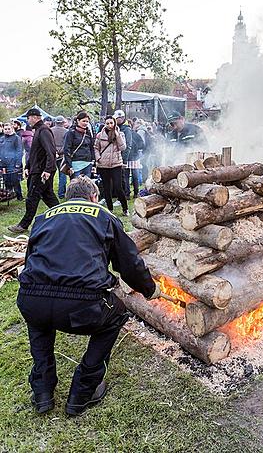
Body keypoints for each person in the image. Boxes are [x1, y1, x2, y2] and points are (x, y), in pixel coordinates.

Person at [16, 175, 160, 416]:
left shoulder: (42, 218)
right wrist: (149, 289)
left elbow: (30, 259)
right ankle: (83, 391)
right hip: (80, 306)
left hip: (32, 297)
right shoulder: (104, 216)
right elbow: (129, 264)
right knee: (116, 314)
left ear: (67, 197)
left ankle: (42, 391)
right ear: (94, 197)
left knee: (38, 320)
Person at [8, 108, 59, 234]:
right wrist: (27, 167)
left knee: (32, 197)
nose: (27, 120)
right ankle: (63, 216)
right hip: (37, 170)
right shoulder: (37, 130)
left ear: (35, 117)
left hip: (42, 171)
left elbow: (51, 151)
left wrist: (47, 170)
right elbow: (34, 152)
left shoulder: (44, 131)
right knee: (48, 196)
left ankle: (23, 225)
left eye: (29, 117)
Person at [94, 116, 128, 215]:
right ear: (105, 124)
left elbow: (123, 147)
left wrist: (117, 135)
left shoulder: (120, 134)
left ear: (114, 123)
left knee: (118, 187)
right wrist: (98, 157)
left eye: (111, 123)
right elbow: (96, 147)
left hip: (116, 164)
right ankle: (110, 209)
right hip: (103, 164)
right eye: (107, 123)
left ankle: (125, 208)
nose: (109, 125)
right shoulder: (100, 135)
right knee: (106, 188)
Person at [63, 111, 95, 178]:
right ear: (78, 120)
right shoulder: (71, 133)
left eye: (87, 121)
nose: (85, 123)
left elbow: (92, 148)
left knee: (87, 186)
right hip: (75, 164)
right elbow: (66, 149)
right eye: (84, 121)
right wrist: (69, 166)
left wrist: (93, 163)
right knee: (76, 186)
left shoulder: (88, 133)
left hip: (88, 163)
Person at [0, 122, 23, 200]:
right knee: (6, 180)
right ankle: (8, 195)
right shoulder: (2, 139)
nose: (7, 130)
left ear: (12, 129)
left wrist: (17, 164)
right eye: (5, 129)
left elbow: (19, 151)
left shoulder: (16, 138)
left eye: (9, 129)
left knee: (15, 181)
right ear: (3, 129)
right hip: (3, 163)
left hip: (13, 163)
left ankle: (19, 196)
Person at [113, 110, 132, 198]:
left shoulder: (126, 129)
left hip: (124, 157)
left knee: (124, 177)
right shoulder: (117, 128)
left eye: (117, 118)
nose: (115, 120)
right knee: (119, 177)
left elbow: (128, 145)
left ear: (122, 118)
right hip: (116, 157)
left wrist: (124, 160)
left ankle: (126, 194)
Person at [51, 115, 68, 199]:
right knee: (62, 175)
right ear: (63, 122)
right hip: (62, 156)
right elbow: (66, 145)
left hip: (52, 155)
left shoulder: (50, 131)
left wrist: (54, 151)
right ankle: (61, 193)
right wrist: (60, 152)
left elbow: (49, 143)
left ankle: (48, 192)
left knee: (50, 175)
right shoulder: (66, 131)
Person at [127, 117, 144, 198]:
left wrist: (136, 148)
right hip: (129, 157)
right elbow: (142, 145)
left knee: (133, 176)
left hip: (133, 157)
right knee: (129, 176)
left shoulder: (135, 135)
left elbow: (142, 145)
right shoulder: (134, 134)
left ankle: (135, 193)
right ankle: (130, 193)